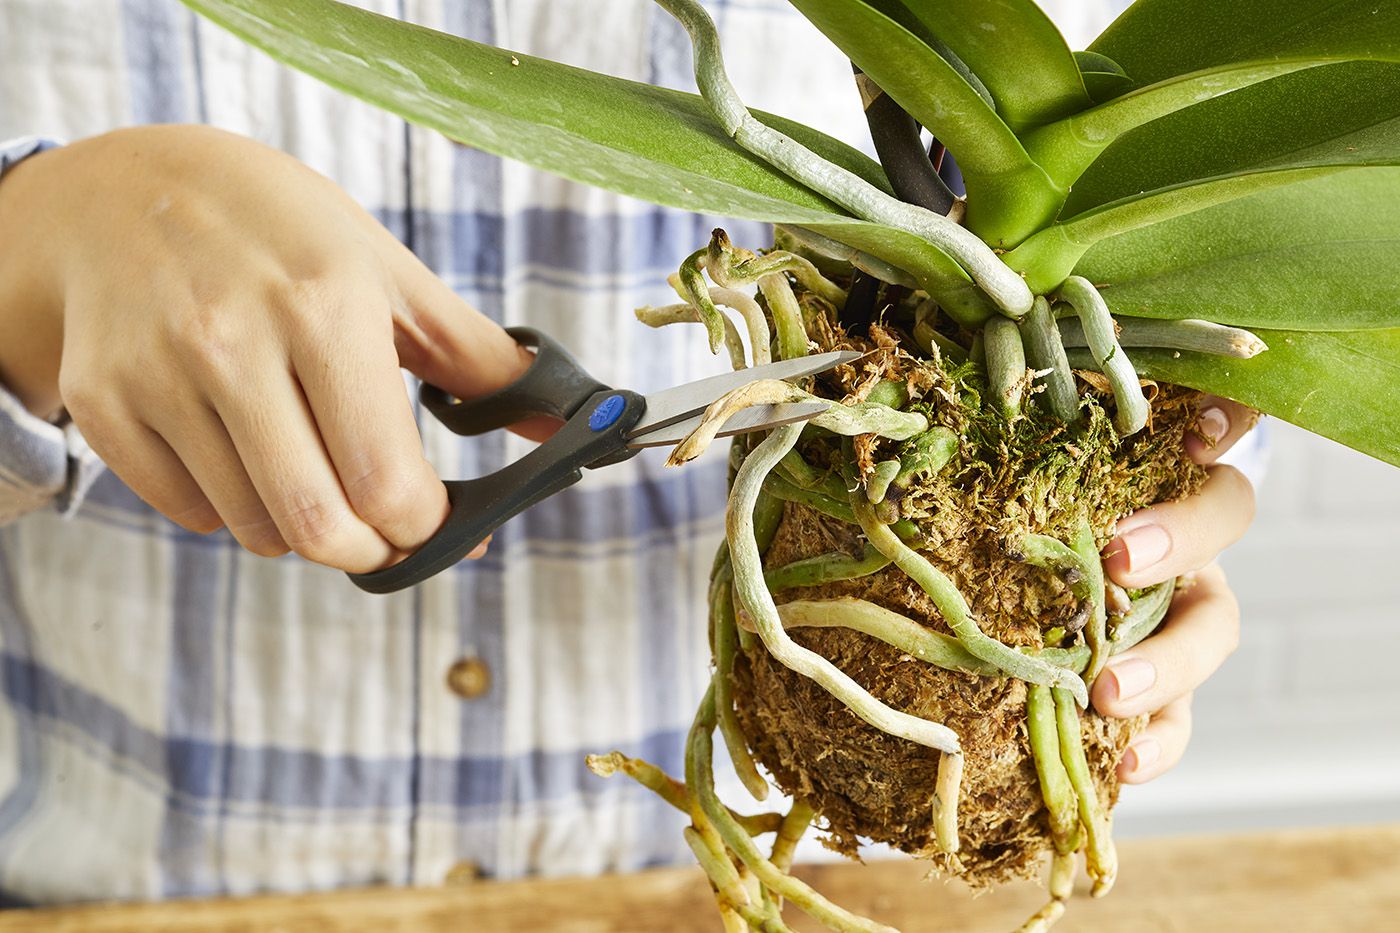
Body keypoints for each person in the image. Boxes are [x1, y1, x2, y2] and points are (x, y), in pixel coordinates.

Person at [0, 0, 1252, 906]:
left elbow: (1096, 251)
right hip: (125, 888)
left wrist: (1135, 520)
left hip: (721, 883)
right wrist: (38, 247)